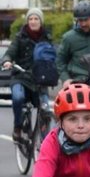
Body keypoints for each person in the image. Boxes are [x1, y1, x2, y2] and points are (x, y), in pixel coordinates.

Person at [2, 8, 53, 141]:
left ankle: (46, 143)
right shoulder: (20, 37)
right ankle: (18, 127)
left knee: (46, 109)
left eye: (36, 19)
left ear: (41, 21)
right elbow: (10, 52)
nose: (33, 21)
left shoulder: (47, 38)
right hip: (21, 76)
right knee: (18, 98)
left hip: (40, 79)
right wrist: (7, 60)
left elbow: (54, 56)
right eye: (30, 19)